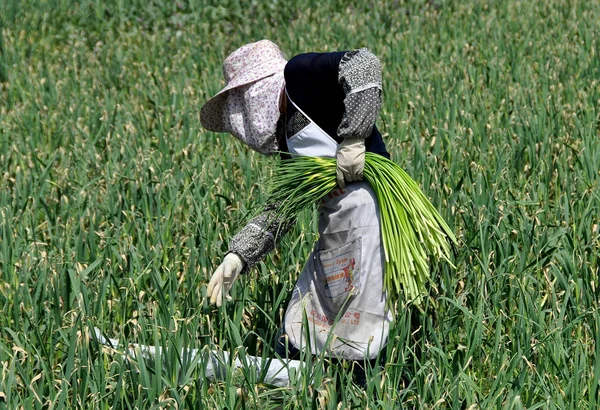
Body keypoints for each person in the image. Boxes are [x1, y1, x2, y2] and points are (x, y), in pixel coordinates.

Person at [200, 40, 392, 385]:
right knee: (302, 321)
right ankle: (306, 385)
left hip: (369, 218)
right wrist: (238, 257)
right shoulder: (288, 136)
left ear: (256, 89)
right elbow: (283, 206)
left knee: (362, 326)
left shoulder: (301, 75)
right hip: (335, 228)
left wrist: (353, 139)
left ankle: (363, 387)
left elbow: (364, 65)